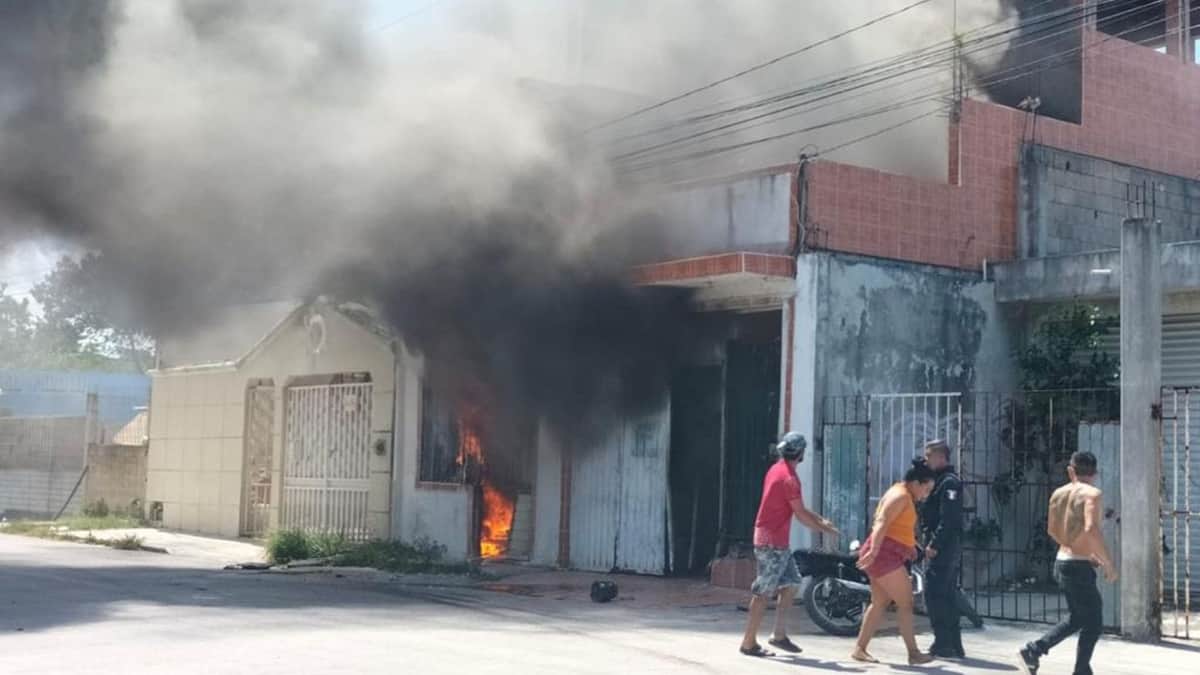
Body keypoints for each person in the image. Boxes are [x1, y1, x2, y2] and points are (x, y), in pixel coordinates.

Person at [739, 431, 840, 658]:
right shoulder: (789, 479)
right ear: (801, 453)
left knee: (792, 583)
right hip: (771, 542)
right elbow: (801, 514)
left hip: (775, 541)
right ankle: (748, 642)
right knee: (763, 591)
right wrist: (824, 529)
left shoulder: (777, 470)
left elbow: (798, 508)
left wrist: (821, 520)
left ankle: (779, 634)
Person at [1017, 451, 1117, 675]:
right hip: (1078, 567)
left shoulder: (1058, 494)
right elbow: (1091, 529)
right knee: (1094, 622)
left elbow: (1052, 530)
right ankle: (1079, 670)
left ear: (1071, 470)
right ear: (1095, 473)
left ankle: (1034, 650)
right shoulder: (1092, 494)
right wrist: (1107, 562)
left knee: (1078, 618)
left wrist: (1078, 550)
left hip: (1062, 562)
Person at [851, 458, 937, 666]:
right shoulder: (900, 496)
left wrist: (911, 546)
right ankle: (913, 653)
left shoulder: (902, 493)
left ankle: (860, 649)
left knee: (879, 602)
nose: (926, 495)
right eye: (926, 489)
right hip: (884, 555)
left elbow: (897, 528)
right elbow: (881, 522)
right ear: (916, 483)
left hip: (886, 553)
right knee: (906, 603)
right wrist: (874, 552)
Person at [920, 439, 965, 659]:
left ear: (941, 457)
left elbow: (949, 519)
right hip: (944, 546)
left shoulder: (949, 483)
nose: (926, 460)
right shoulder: (939, 481)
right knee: (946, 595)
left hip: (944, 547)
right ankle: (953, 644)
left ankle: (944, 643)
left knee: (935, 594)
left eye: (929, 456)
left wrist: (934, 544)